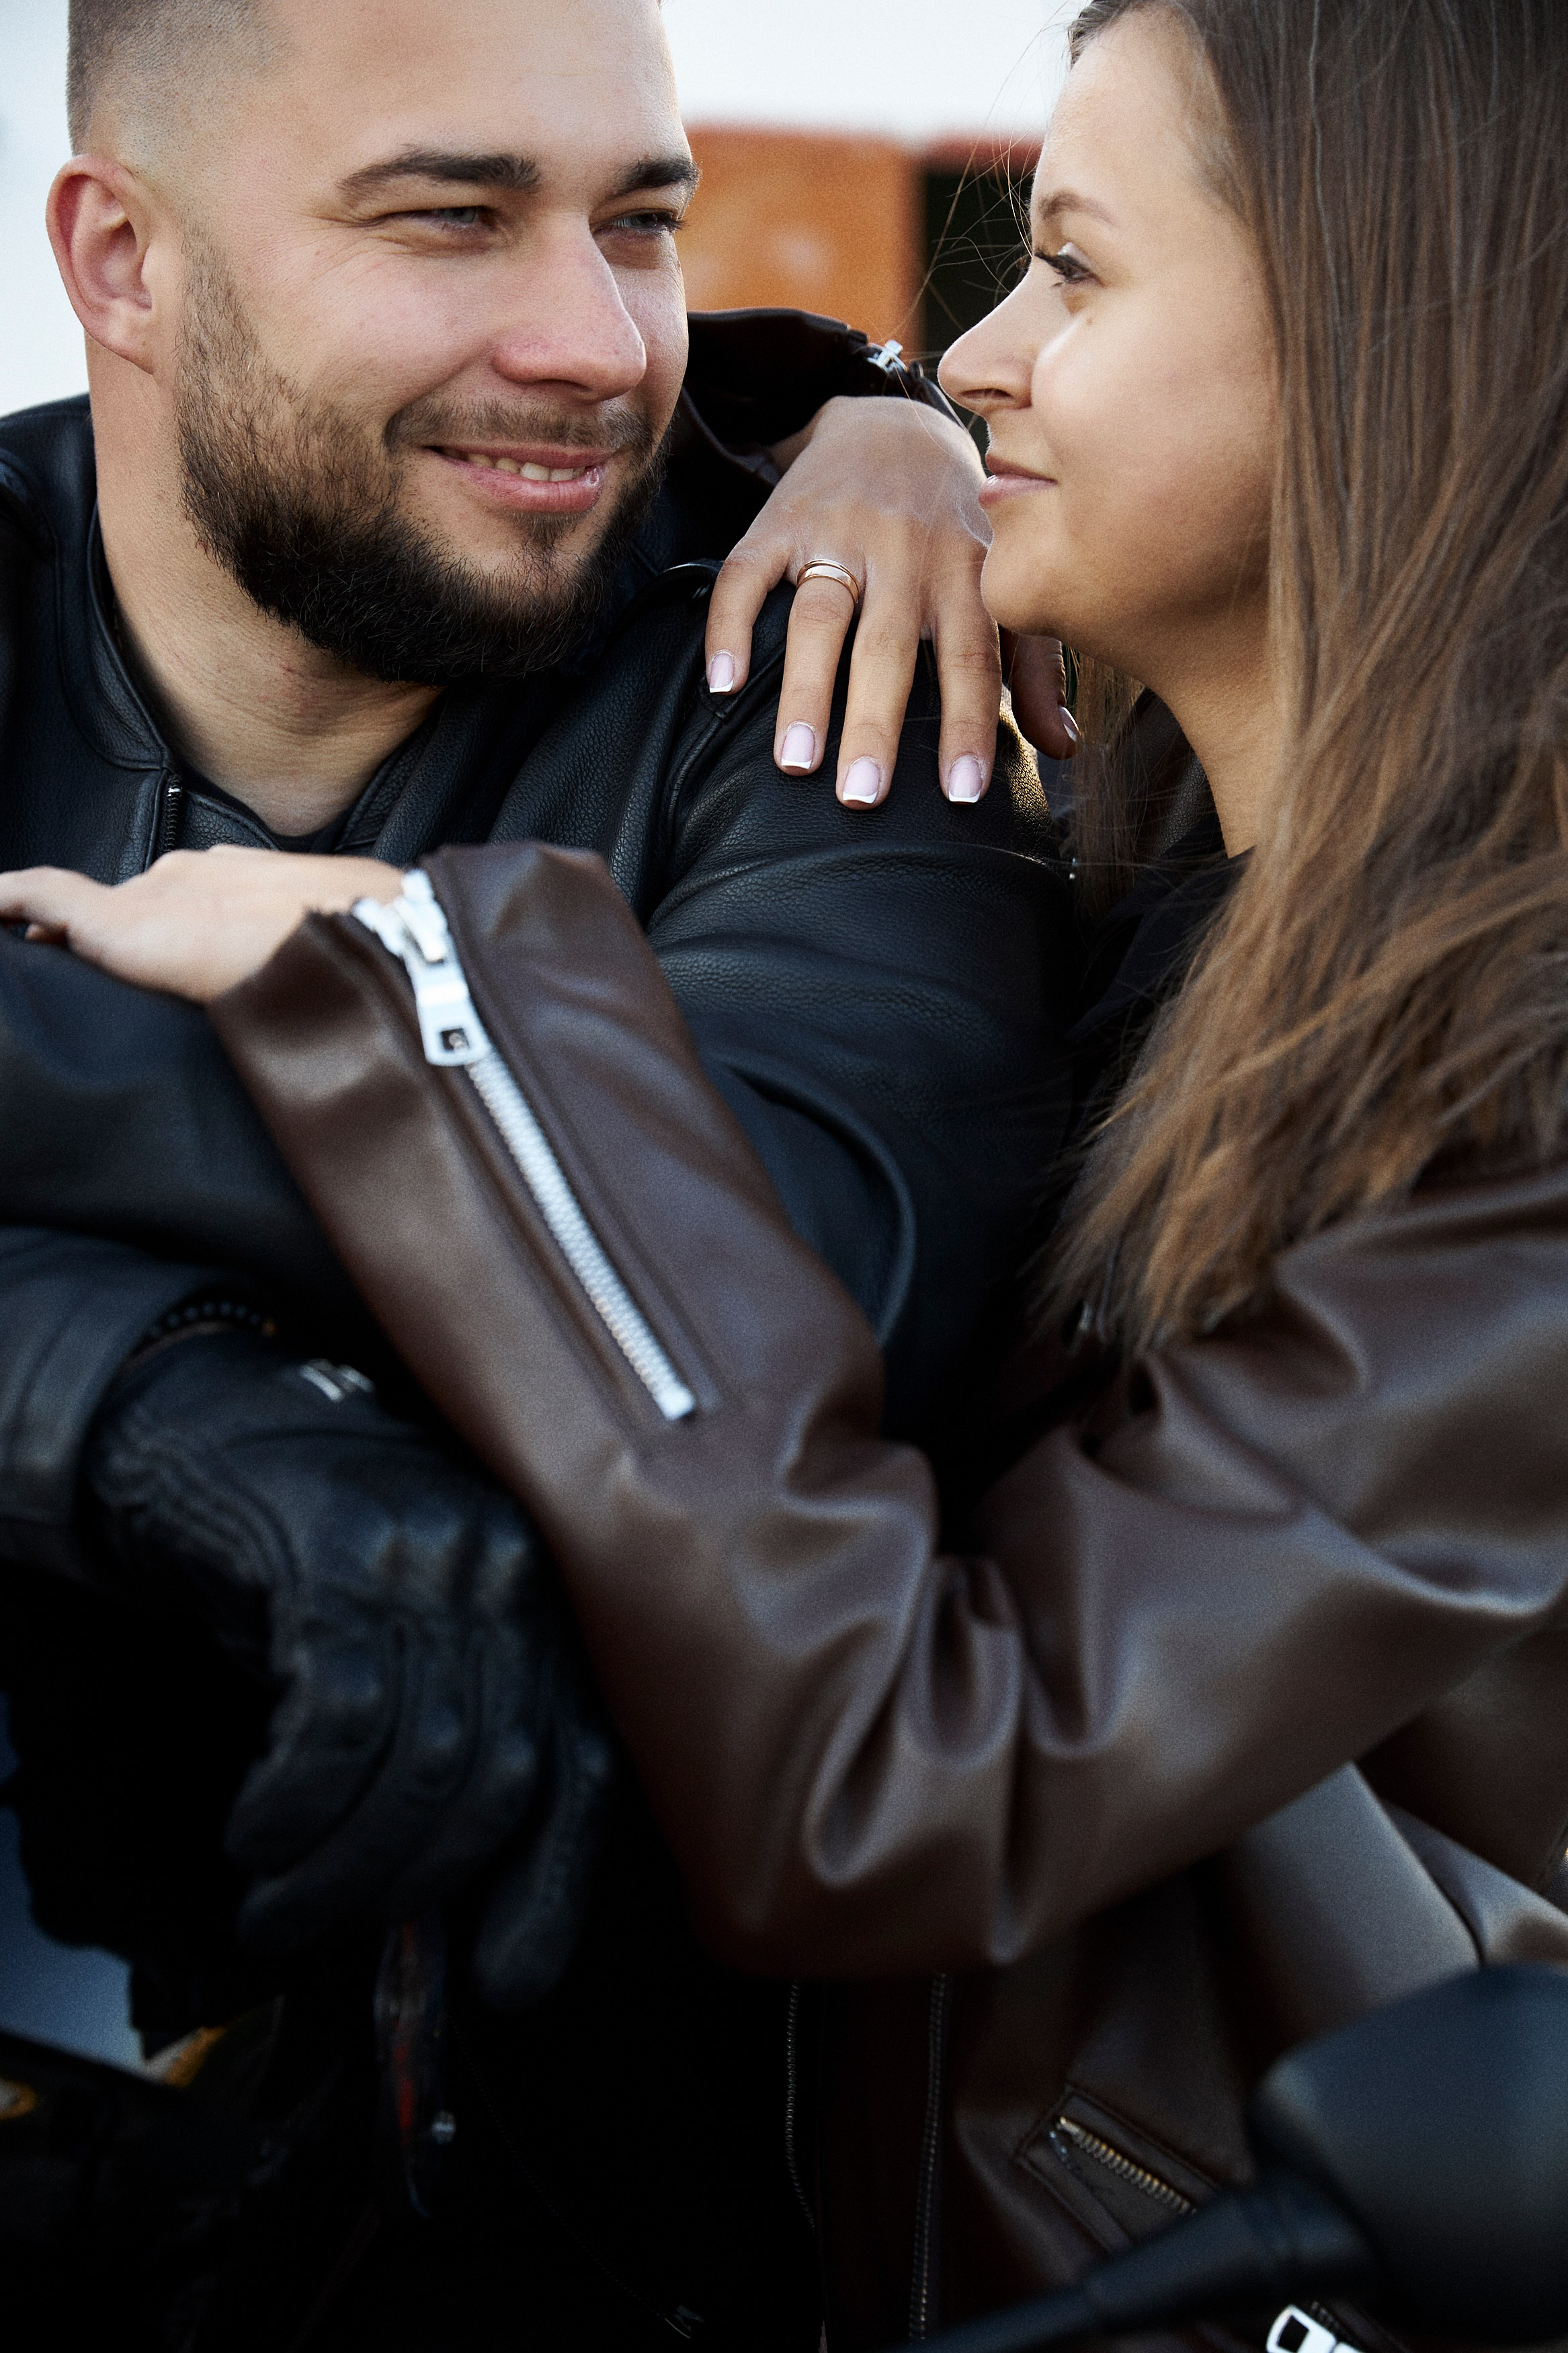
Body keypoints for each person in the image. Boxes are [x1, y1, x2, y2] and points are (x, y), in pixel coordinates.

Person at [30, 0, 1568, 2345]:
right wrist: (826, 410)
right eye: (454, 211)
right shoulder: (1200, 882)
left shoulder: (1529, 1112)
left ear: (1384, 345)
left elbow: (907, 1763)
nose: (977, 352)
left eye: (1070, 267)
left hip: (1193, 2271)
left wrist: (442, 1003)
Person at [0, 0, 1083, 2343]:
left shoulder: (813, 664)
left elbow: (804, 1263)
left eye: (643, 225)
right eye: (453, 217)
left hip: (606, 2235)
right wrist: (140, 1405)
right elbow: (613, 1227)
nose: (595, 344)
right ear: (121, 261)